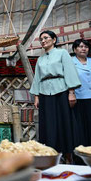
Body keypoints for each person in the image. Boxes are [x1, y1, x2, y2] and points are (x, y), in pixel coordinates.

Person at [30, 30, 82, 163]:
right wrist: (37, 96)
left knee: (64, 122)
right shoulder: (40, 59)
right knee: (48, 124)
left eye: (46, 38)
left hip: (62, 91)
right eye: (41, 39)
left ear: (54, 40)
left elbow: (69, 71)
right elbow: (37, 78)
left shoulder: (62, 53)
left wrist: (71, 92)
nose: (43, 41)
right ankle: (52, 154)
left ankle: (69, 154)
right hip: (45, 93)